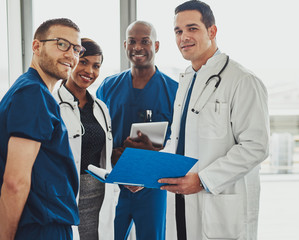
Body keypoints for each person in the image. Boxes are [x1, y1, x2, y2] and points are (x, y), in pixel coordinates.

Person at [157, 1, 270, 240]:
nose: (183, 37)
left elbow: (256, 146)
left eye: (192, 28)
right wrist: (148, 173)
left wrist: (203, 180)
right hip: (182, 202)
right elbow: (180, 140)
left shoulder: (242, 80)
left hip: (219, 204)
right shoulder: (187, 80)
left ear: (212, 31)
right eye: (178, 31)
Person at [0, 18, 83, 240]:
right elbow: (15, 181)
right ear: (36, 46)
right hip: (39, 228)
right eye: (62, 44)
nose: (71, 55)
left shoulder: (29, 89)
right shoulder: (32, 94)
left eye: (76, 49)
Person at [96, 20, 178, 240]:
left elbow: (178, 143)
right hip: (115, 183)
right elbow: (99, 135)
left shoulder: (174, 91)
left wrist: (147, 171)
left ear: (157, 46)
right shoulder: (108, 87)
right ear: (125, 45)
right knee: (108, 235)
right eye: (132, 41)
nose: (138, 47)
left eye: (145, 41)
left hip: (153, 187)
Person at [53, 38, 118, 240]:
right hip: (65, 195)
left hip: (100, 197)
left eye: (96, 66)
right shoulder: (52, 103)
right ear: (71, 61)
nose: (90, 71)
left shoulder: (101, 108)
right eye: (84, 62)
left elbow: (104, 154)